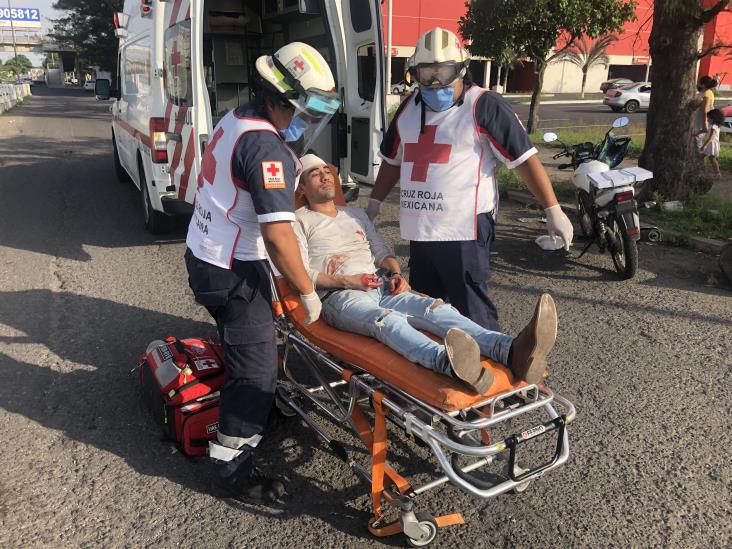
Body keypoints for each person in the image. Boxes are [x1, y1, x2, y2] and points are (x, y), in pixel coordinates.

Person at [184, 42, 340, 504]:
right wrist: (308, 289)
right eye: (306, 107)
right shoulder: (265, 146)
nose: (310, 119)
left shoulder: (237, 118)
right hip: (231, 267)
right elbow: (277, 236)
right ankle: (233, 470)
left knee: (247, 349)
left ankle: (256, 413)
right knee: (254, 372)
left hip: (209, 251)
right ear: (277, 95)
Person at [293, 154, 558, 394]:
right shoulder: (298, 221)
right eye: (314, 174)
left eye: (327, 170)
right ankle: (450, 364)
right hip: (341, 296)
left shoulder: (356, 214)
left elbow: (380, 250)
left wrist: (395, 272)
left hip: (382, 285)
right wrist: (347, 281)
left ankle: (511, 351)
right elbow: (300, 271)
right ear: (302, 189)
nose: (325, 175)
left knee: (439, 310)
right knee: (385, 321)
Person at [365, 27, 573, 332]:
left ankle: (494, 369)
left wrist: (552, 208)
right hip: (421, 233)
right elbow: (393, 160)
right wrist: (373, 203)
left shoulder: (484, 105)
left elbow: (523, 160)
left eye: (444, 71)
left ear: (463, 69)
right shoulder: (408, 110)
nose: (435, 82)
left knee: (472, 312)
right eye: (426, 73)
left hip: (464, 232)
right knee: (426, 309)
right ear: (413, 74)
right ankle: (438, 370)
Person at [699, 108, 724, 178]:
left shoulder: (714, 126)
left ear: (713, 118)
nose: (707, 119)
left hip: (711, 144)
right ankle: (701, 170)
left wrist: (704, 145)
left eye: (708, 118)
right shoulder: (714, 126)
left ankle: (718, 173)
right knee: (704, 157)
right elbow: (707, 132)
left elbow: (711, 137)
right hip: (710, 144)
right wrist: (699, 132)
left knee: (711, 158)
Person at [695, 75, 718, 147]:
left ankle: (698, 157)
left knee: (697, 139)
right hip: (700, 118)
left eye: (699, 82)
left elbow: (705, 109)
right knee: (696, 138)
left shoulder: (708, 93)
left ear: (703, 84)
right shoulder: (703, 93)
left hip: (704, 118)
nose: (697, 83)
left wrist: (704, 124)